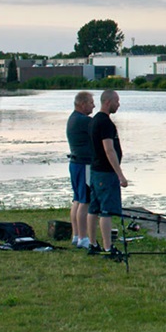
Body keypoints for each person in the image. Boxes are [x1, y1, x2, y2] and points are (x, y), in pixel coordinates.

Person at [88, 89, 127, 256]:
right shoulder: (105, 123)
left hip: (95, 171)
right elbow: (109, 150)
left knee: (93, 209)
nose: (118, 104)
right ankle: (107, 247)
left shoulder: (95, 120)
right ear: (107, 102)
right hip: (105, 172)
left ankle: (92, 244)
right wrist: (120, 175)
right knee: (106, 211)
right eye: (116, 101)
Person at [65, 91, 96, 248]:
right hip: (84, 164)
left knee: (77, 199)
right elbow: (99, 129)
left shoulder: (72, 118)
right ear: (83, 104)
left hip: (75, 163)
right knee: (85, 201)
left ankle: (76, 235)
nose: (93, 105)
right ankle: (83, 238)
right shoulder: (84, 121)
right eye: (91, 102)